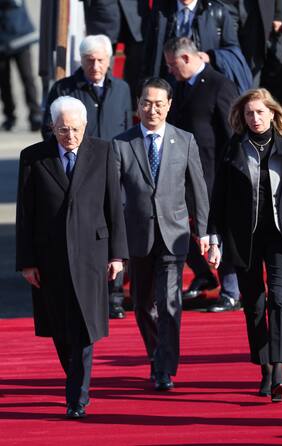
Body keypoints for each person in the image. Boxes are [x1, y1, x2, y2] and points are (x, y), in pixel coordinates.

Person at [16, 96, 128, 418]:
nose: (70, 136)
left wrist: (117, 254)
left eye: (75, 129)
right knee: (60, 328)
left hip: (92, 254)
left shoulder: (104, 151)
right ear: (52, 128)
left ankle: (77, 396)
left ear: (85, 126)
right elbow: (26, 214)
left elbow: (113, 206)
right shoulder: (33, 158)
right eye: (63, 130)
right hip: (49, 258)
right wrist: (27, 261)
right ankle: (74, 379)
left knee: (82, 326)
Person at [207, 88, 282, 402]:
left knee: (279, 299)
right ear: (242, 117)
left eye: (260, 112)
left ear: (272, 113)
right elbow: (220, 196)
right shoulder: (234, 147)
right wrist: (214, 234)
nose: (255, 119)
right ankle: (265, 368)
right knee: (254, 304)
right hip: (246, 237)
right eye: (249, 113)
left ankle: (280, 369)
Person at [113, 77, 209, 391]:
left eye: (158, 104)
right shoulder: (122, 144)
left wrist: (206, 232)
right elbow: (113, 196)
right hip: (138, 236)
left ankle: (164, 367)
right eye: (146, 103)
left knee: (169, 303)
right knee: (141, 304)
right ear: (138, 106)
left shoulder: (185, 140)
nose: (152, 109)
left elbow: (197, 189)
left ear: (168, 105)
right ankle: (156, 354)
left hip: (174, 235)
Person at [41, 34, 132, 319]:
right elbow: (49, 131)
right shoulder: (64, 89)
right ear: (81, 61)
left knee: (115, 226)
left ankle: (115, 294)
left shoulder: (122, 88)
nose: (95, 65)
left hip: (114, 171)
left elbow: (128, 127)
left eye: (101, 60)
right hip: (79, 175)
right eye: (89, 60)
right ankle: (87, 292)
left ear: (110, 61)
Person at [164, 36, 240, 311]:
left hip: (214, 172)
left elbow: (233, 133)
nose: (170, 70)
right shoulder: (179, 87)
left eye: (173, 64)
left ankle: (231, 290)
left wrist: (230, 172)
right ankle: (205, 275)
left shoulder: (220, 85)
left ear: (186, 58)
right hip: (183, 173)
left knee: (219, 231)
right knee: (182, 228)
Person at [143, 0, 252, 94]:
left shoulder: (216, 11)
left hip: (203, 86)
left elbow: (233, 50)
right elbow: (149, 53)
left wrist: (211, 57)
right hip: (168, 85)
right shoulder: (161, 12)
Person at [82, 0, 150, 109]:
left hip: (137, 11)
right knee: (100, 59)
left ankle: (131, 106)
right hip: (101, 11)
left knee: (137, 62)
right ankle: (99, 103)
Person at [0, 0, 42, 131]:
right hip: (1, 41)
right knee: (4, 81)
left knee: (27, 77)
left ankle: (35, 114)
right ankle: (9, 116)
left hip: (20, 37)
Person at [230, 0, 282, 87]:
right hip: (227, 6)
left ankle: (250, 96)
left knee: (254, 62)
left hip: (256, 9)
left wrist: (278, 14)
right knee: (227, 56)